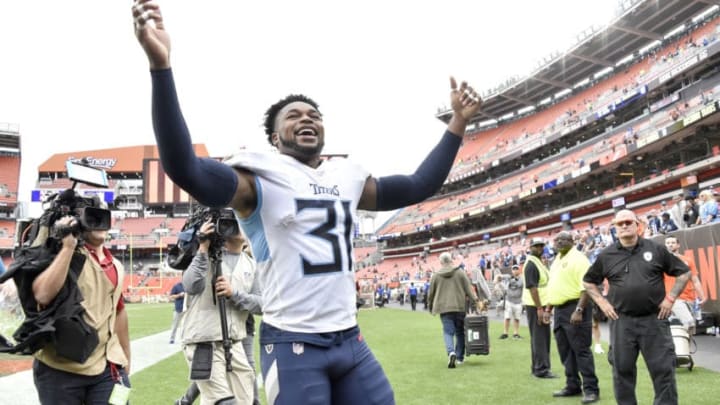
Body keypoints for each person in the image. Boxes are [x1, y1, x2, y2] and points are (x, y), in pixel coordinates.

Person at [132, 2, 482, 402]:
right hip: (292, 341)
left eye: (314, 114)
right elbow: (184, 169)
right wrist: (161, 67)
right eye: (294, 115)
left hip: (350, 338)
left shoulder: (346, 177)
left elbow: (419, 185)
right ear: (275, 138)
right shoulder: (259, 177)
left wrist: (458, 123)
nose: (307, 118)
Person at [583, 209, 690, 405]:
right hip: (622, 321)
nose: (624, 226)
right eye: (620, 223)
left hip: (654, 320)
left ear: (637, 224)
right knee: (622, 371)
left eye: (628, 222)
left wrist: (671, 298)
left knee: (663, 371)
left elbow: (683, 273)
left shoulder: (655, 249)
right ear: (614, 228)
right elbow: (588, 282)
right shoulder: (606, 255)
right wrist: (602, 302)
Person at [31, 215, 131, 404]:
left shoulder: (116, 265)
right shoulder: (62, 255)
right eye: (93, 214)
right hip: (60, 368)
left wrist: (125, 358)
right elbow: (43, 296)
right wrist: (68, 247)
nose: (100, 221)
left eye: (103, 214)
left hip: (108, 367)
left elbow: (118, 312)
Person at [180, 218, 260, 404]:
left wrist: (235, 294)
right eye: (234, 221)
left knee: (244, 400)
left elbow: (263, 304)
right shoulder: (206, 256)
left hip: (235, 343)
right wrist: (202, 247)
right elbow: (190, 285)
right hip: (203, 342)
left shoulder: (251, 264)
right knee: (224, 402)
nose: (240, 226)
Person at [546, 232, 599, 404]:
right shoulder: (557, 260)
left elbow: (587, 287)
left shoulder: (579, 259)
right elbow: (555, 286)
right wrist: (548, 308)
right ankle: (572, 385)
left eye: (563, 239)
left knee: (581, 350)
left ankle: (591, 389)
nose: (559, 242)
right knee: (565, 350)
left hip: (575, 306)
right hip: (559, 310)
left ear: (572, 241)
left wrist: (579, 309)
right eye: (557, 240)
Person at [427, 252, 480, 368]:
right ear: (452, 260)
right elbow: (469, 290)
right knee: (460, 332)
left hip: (444, 308)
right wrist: (476, 303)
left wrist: (430, 306)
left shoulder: (435, 275)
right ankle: (460, 357)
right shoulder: (460, 273)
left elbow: (430, 293)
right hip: (459, 307)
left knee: (448, 332)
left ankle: (451, 352)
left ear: (441, 262)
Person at [522, 237, 556, 379]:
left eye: (541, 246)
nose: (540, 248)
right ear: (530, 247)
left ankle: (537, 367)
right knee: (540, 337)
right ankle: (541, 369)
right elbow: (533, 289)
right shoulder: (531, 264)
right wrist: (540, 309)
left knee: (539, 337)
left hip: (538, 305)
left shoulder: (537, 262)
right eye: (536, 246)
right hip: (536, 305)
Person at [664, 235, 705, 334]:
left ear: (678, 245)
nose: (670, 245)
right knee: (689, 322)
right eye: (668, 243)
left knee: (690, 330)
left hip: (689, 299)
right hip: (674, 299)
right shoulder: (663, 261)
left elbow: (695, 280)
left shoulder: (688, 260)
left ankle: (685, 349)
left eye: (673, 243)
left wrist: (702, 296)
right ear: (665, 245)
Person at [499, 264, 523, 340]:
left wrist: (513, 279)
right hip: (509, 300)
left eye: (516, 269)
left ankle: (515, 333)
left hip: (518, 301)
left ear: (519, 270)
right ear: (512, 270)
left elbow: (519, 285)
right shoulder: (508, 277)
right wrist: (498, 279)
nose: (515, 270)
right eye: (514, 269)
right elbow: (499, 277)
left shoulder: (522, 279)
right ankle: (505, 333)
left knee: (517, 318)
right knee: (507, 317)